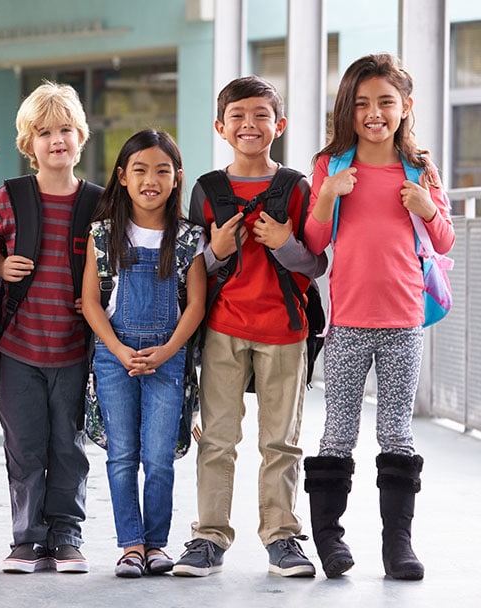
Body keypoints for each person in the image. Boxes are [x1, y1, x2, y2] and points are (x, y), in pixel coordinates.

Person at [303, 53, 454, 581]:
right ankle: (329, 539)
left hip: (404, 322)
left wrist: (426, 207)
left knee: (397, 432)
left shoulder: (420, 168)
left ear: (405, 107)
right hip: (346, 323)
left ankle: (399, 546)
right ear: (347, 109)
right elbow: (314, 242)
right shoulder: (332, 166)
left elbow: (444, 239)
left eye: (386, 102)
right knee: (338, 430)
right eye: (362, 103)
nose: (374, 113)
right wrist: (325, 195)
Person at [174, 76, 326, 578]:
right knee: (217, 438)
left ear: (278, 125)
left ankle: (282, 537)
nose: (249, 124)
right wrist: (215, 252)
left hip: (285, 329)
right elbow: (191, 265)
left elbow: (315, 264)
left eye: (261, 115)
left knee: (280, 442)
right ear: (221, 126)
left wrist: (283, 241)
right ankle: (208, 537)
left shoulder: (296, 188)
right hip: (222, 328)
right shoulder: (207, 189)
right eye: (237, 115)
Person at [0, 81, 103, 574]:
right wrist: (0, 265)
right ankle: (27, 538)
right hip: (19, 348)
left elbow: (114, 263)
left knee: (68, 446)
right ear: (28, 144)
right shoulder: (10, 197)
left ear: (80, 136)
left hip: (75, 349)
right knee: (25, 446)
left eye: (64, 130)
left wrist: (97, 295)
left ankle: (67, 536)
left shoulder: (98, 203)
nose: (56, 140)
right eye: (43, 132)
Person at [81, 130, 206, 578]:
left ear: (176, 179)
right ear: (122, 176)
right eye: (140, 170)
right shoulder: (104, 233)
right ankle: (130, 545)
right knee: (122, 456)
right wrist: (117, 349)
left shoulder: (190, 236)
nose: (150, 179)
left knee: (158, 457)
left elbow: (195, 304)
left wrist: (168, 350)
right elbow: (92, 302)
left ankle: (156, 544)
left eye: (162, 170)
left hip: (167, 358)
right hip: (114, 357)